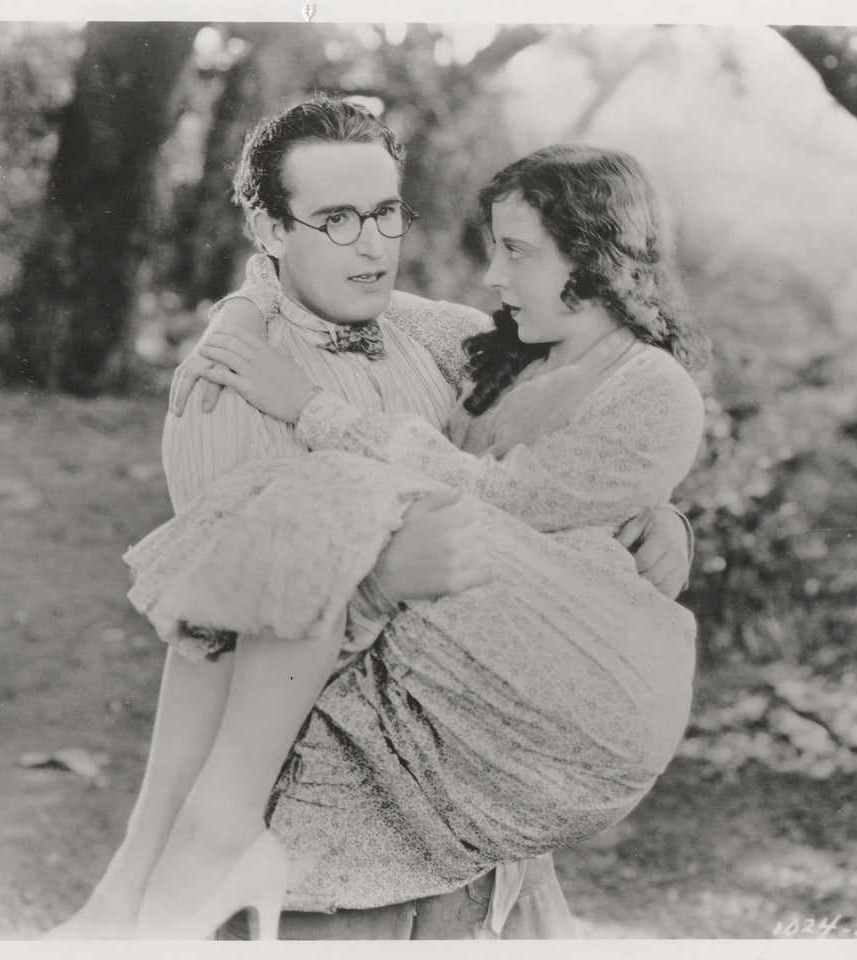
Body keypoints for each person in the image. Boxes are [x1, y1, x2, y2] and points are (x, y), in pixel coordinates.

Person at [45, 98, 695, 941]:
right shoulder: (231, 389)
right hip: (332, 865)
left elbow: (539, 482)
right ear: (270, 230)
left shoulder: (446, 341)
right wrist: (381, 581)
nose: (372, 244)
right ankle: (162, 869)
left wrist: (657, 515)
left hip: (478, 855)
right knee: (332, 497)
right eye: (338, 218)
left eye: (385, 212)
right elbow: (234, 628)